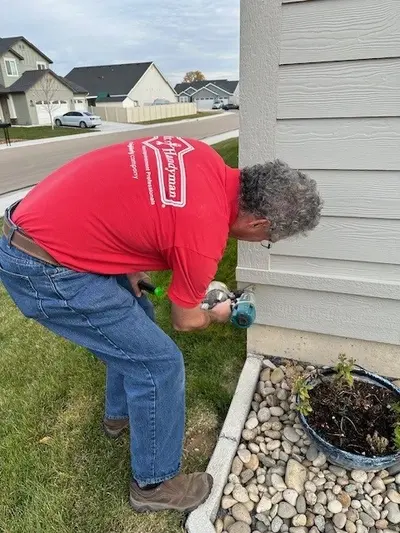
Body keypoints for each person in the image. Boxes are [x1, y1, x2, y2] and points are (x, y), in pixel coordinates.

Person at [0, 135, 322, 513]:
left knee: (139, 319)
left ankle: (119, 416)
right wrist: (215, 315)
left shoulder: (198, 155)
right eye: (267, 238)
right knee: (159, 365)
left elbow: (131, 197)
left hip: (37, 225)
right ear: (259, 221)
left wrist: (130, 265)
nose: (261, 240)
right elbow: (185, 321)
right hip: (44, 267)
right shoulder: (203, 236)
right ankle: (154, 484)